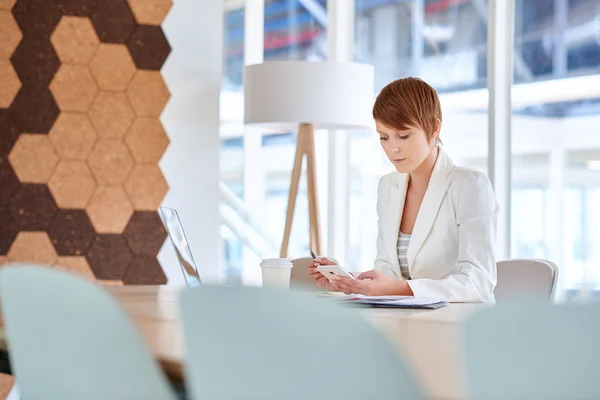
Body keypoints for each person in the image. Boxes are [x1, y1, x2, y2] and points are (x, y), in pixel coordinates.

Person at [309, 77, 498, 302]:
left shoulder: (469, 185)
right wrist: (349, 281)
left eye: (404, 135)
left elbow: (478, 282)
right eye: (384, 137)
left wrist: (399, 289)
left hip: (455, 326)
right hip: (403, 321)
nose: (393, 148)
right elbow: (388, 273)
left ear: (434, 127)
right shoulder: (388, 187)